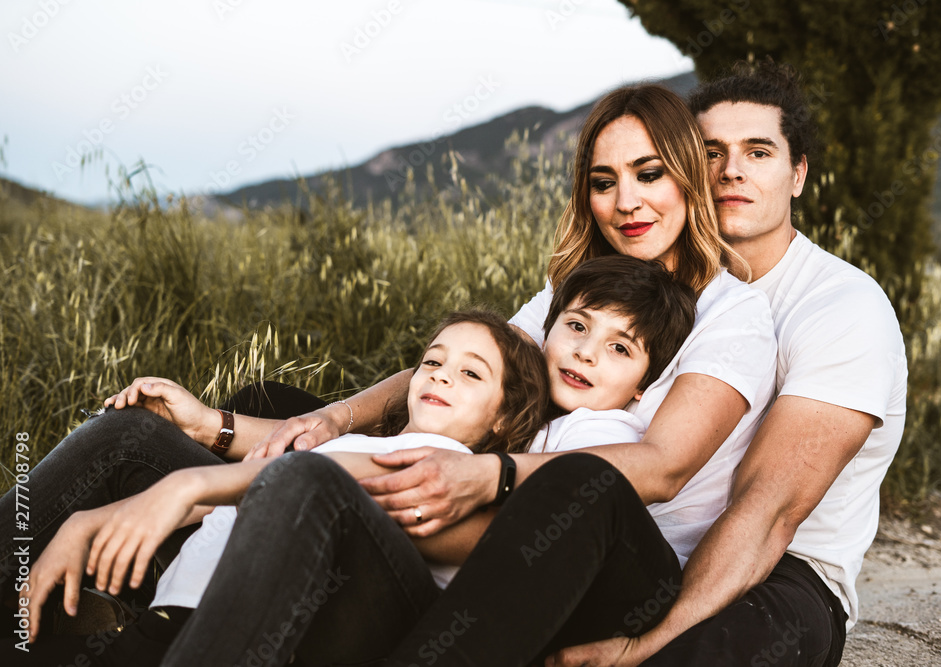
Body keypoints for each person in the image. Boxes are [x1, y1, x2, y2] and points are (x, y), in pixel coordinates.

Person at [382, 62, 908, 667]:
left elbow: (769, 508)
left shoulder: (840, 305)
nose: (731, 170)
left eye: (758, 152)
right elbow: (481, 363)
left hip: (786, 573)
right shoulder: (632, 282)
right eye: (711, 153)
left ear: (798, 173)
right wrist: (335, 419)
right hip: (635, 545)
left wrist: (650, 644)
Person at [237, 83, 778, 663]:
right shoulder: (576, 287)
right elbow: (474, 363)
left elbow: (664, 467)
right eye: (603, 182)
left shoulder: (734, 314)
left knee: (579, 485)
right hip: (511, 530)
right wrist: (328, 417)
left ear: (689, 178)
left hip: (624, 562)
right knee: (271, 403)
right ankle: (190, 594)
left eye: (649, 175)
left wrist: (487, 474)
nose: (626, 202)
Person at [14, 256, 698, 666]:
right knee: (132, 431)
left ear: (643, 383)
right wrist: (204, 430)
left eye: (619, 347)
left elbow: (362, 483)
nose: (583, 352)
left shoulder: (595, 437)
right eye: (576, 326)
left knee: (306, 478)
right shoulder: (495, 414)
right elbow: (307, 440)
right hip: (218, 583)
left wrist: (189, 482)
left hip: (378, 602)